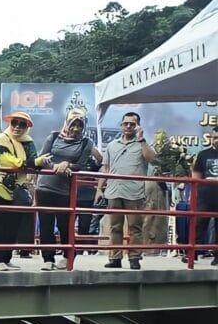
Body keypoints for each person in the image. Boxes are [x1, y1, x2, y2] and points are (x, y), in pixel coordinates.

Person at [0, 112, 46, 271]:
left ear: (27, 127)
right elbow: (11, 162)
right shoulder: (1, 139)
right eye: (14, 123)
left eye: (21, 124)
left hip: (14, 189)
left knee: (11, 226)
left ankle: (6, 258)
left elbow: (33, 163)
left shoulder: (27, 141)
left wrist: (34, 162)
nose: (17, 127)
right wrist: (34, 162)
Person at [35, 110, 95, 270]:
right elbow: (42, 158)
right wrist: (54, 166)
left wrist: (67, 164)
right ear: (66, 122)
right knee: (46, 226)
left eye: (79, 125)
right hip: (45, 187)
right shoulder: (53, 137)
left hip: (65, 190)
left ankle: (67, 255)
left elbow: (81, 164)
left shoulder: (86, 143)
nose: (76, 128)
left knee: (65, 226)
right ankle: (48, 259)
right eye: (73, 124)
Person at [97, 111, 156, 270]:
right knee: (115, 227)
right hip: (114, 190)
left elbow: (153, 159)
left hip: (135, 192)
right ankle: (115, 258)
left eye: (132, 123)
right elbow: (106, 167)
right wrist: (99, 188)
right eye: (126, 123)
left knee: (135, 227)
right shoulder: (112, 145)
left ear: (138, 126)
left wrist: (142, 139)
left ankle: (134, 258)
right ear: (121, 125)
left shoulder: (142, 144)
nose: (128, 126)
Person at [190, 128, 218, 265]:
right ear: (211, 139)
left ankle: (217, 256)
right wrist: (197, 193)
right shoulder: (203, 154)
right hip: (205, 196)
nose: (217, 140)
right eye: (215, 137)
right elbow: (196, 175)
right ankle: (192, 254)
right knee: (199, 224)